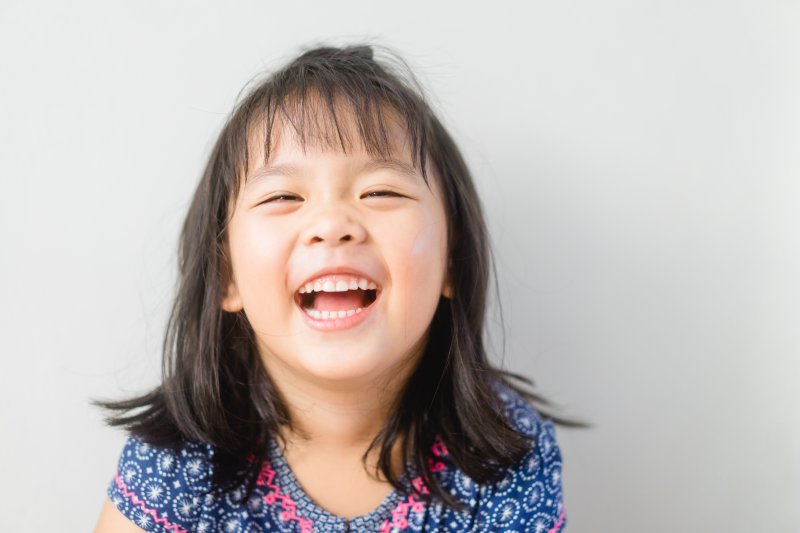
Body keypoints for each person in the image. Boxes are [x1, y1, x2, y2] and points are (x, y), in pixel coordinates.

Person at [93, 44, 569, 533]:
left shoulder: (505, 453)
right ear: (225, 275)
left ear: (453, 259)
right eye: (283, 196)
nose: (332, 224)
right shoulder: (179, 457)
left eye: (381, 191)